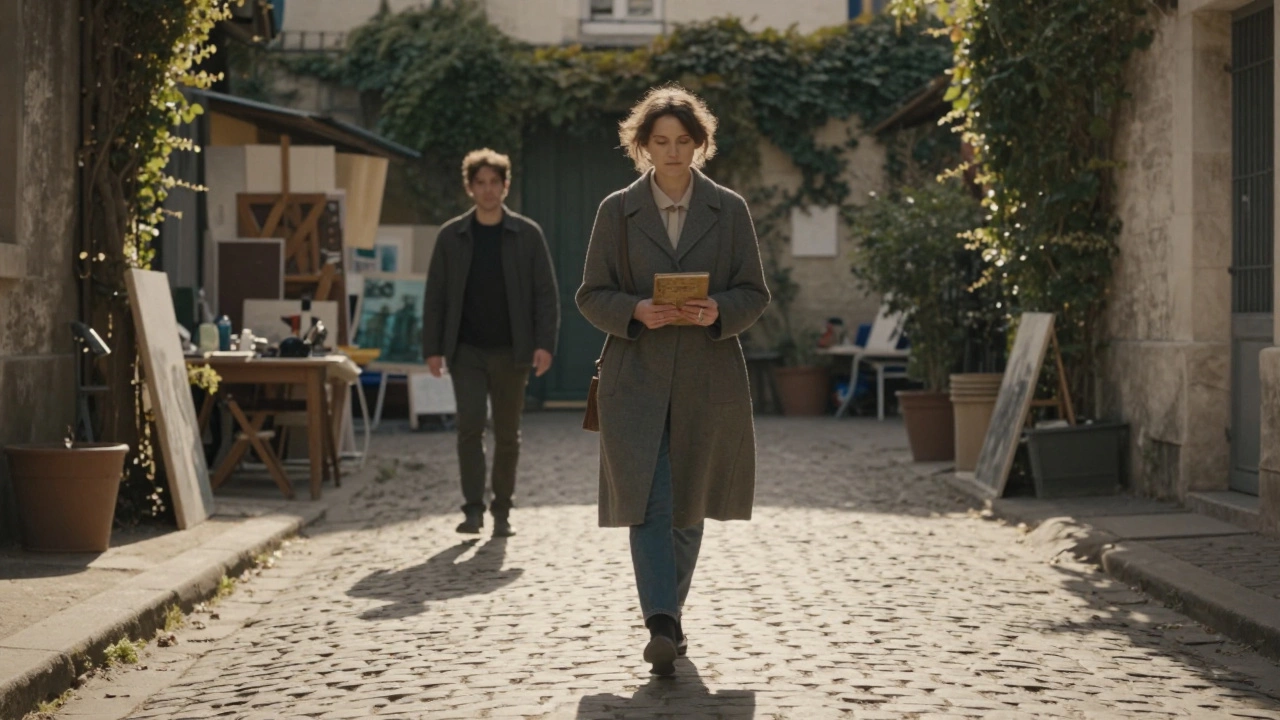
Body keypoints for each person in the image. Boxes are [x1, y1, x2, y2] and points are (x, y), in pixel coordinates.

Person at [575, 85, 770, 676]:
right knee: (649, 502)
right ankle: (661, 620)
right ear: (642, 146)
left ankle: (670, 618)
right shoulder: (616, 210)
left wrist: (720, 312)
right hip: (634, 378)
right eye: (660, 142)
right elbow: (590, 294)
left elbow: (754, 292)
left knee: (689, 508)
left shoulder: (730, 209)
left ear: (701, 144)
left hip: (709, 379)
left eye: (684, 142)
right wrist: (634, 310)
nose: (673, 153)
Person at [423, 148, 560, 538]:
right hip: (465, 349)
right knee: (469, 427)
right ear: (470, 188)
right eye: (480, 183)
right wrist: (432, 348)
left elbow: (545, 294)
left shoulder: (527, 234)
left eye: (494, 183)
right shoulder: (451, 236)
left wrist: (544, 344)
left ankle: (502, 510)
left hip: (512, 350)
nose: (487, 190)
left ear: (505, 186)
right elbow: (435, 295)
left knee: (507, 433)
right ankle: (472, 510)